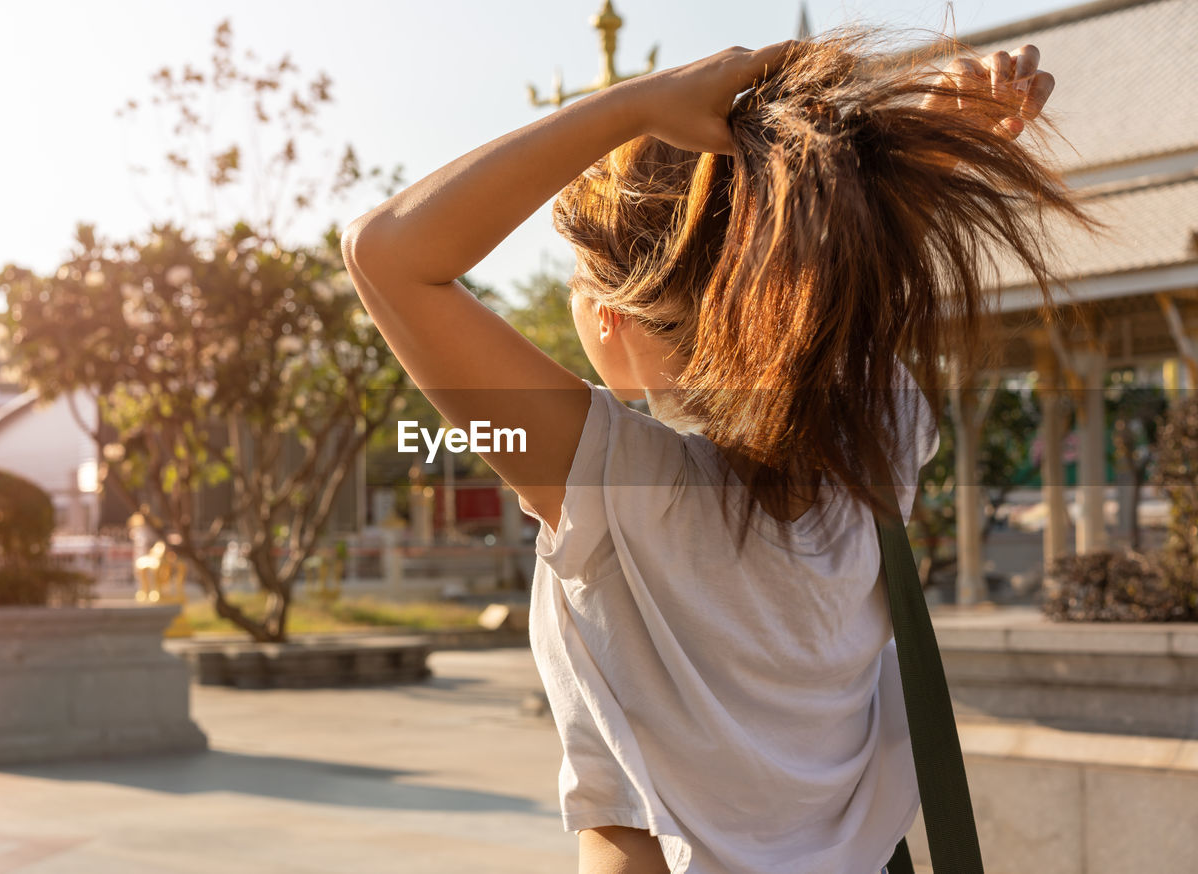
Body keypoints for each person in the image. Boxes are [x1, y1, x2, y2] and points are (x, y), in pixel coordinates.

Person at [343, 27, 1092, 874]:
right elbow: (818, 295)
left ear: (608, 314)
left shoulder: (609, 481)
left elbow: (385, 254)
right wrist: (922, 149)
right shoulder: (875, 448)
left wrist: (632, 105)